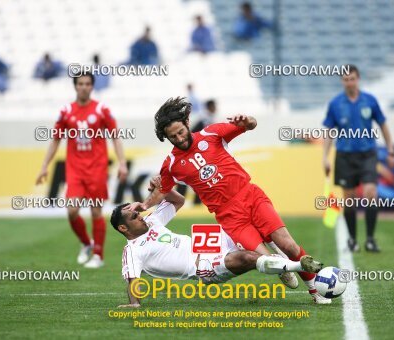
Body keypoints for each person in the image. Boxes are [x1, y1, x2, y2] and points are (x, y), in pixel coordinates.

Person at [126, 97, 331, 304]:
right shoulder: (171, 164)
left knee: (289, 246)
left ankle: (316, 292)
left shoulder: (212, 133)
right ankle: (281, 265)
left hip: (250, 196)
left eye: (180, 132)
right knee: (264, 259)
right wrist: (143, 205)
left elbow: (251, 125)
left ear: (187, 123)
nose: (179, 138)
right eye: (172, 137)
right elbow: (162, 190)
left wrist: (246, 119)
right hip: (230, 217)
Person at [112, 178, 323, 308]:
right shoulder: (133, 250)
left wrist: (162, 187)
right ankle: (295, 265)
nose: (140, 216)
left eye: (137, 212)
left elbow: (178, 201)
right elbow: (132, 278)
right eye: (133, 217)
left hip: (211, 240)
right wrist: (134, 304)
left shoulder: (151, 220)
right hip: (203, 267)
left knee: (248, 221)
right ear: (123, 228)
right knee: (248, 257)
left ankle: (278, 263)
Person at [36, 71, 129, 268]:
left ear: (92, 86)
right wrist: (44, 166)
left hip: (96, 168)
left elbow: (115, 136)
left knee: (96, 211)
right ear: (75, 86)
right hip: (75, 169)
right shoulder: (66, 112)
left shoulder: (102, 110)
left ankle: (98, 255)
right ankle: (87, 243)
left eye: (87, 83)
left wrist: (122, 163)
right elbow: (55, 140)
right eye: (80, 84)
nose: (84, 87)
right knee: (71, 211)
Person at [322, 65, 394, 253]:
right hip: (345, 156)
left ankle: (370, 239)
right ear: (342, 81)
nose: (349, 82)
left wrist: (391, 150)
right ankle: (353, 240)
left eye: (352, 79)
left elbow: (383, 125)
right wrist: (325, 157)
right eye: (346, 79)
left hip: (367, 154)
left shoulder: (369, 101)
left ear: (358, 79)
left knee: (371, 193)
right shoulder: (335, 104)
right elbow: (329, 132)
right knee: (349, 199)